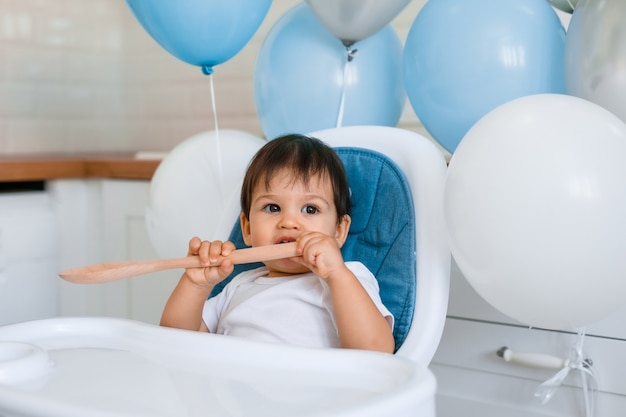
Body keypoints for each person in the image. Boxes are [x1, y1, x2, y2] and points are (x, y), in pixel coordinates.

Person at [160, 134, 394, 353]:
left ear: (339, 232)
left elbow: (376, 352)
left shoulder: (347, 279)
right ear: (248, 229)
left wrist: (336, 275)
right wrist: (195, 285)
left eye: (310, 209)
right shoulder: (238, 286)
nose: (289, 222)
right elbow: (176, 341)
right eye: (272, 208)